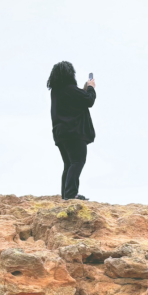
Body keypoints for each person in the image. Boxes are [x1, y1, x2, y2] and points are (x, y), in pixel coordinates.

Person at [47, 61, 97, 200]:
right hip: (74, 134)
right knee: (77, 162)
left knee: (68, 164)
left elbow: (78, 99)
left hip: (60, 134)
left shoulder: (56, 92)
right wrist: (91, 87)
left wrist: (84, 90)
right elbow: (89, 100)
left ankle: (66, 195)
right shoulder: (70, 89)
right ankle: (70, 195)